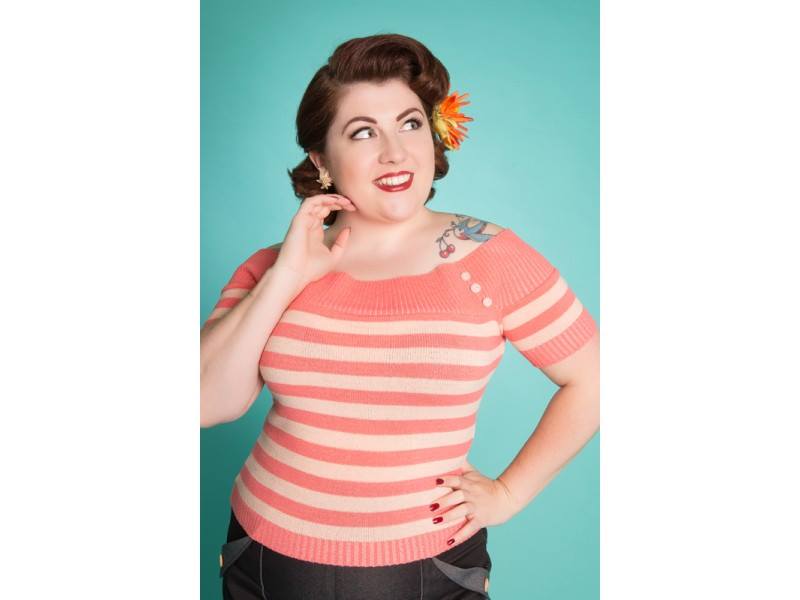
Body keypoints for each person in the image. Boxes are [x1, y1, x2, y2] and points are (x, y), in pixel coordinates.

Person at [200, 33, 599, 600]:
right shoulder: (274, 266)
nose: (394, 152)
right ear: (321, 160)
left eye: (409, 124)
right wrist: (286, 277)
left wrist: (509, 494)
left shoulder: (489, 258)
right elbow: (206, 403)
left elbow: (595, 378)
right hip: (264, 558)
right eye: (363, 132)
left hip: (430, 569)